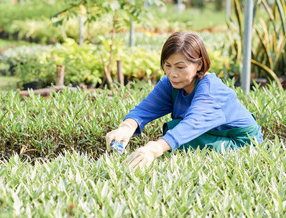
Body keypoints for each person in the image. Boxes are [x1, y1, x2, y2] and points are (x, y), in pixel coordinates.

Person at [106, 31, 263, 169]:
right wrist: (125, 128)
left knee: (177, 138)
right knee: (174, 132)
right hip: (210, 134)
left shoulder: (210, 90)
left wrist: (155, 148)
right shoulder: (170, 83)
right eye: (167, 65)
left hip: (241, 142)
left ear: (199, 64)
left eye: (180, 67)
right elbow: (146, 109)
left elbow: (192, 125)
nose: (172, 73)